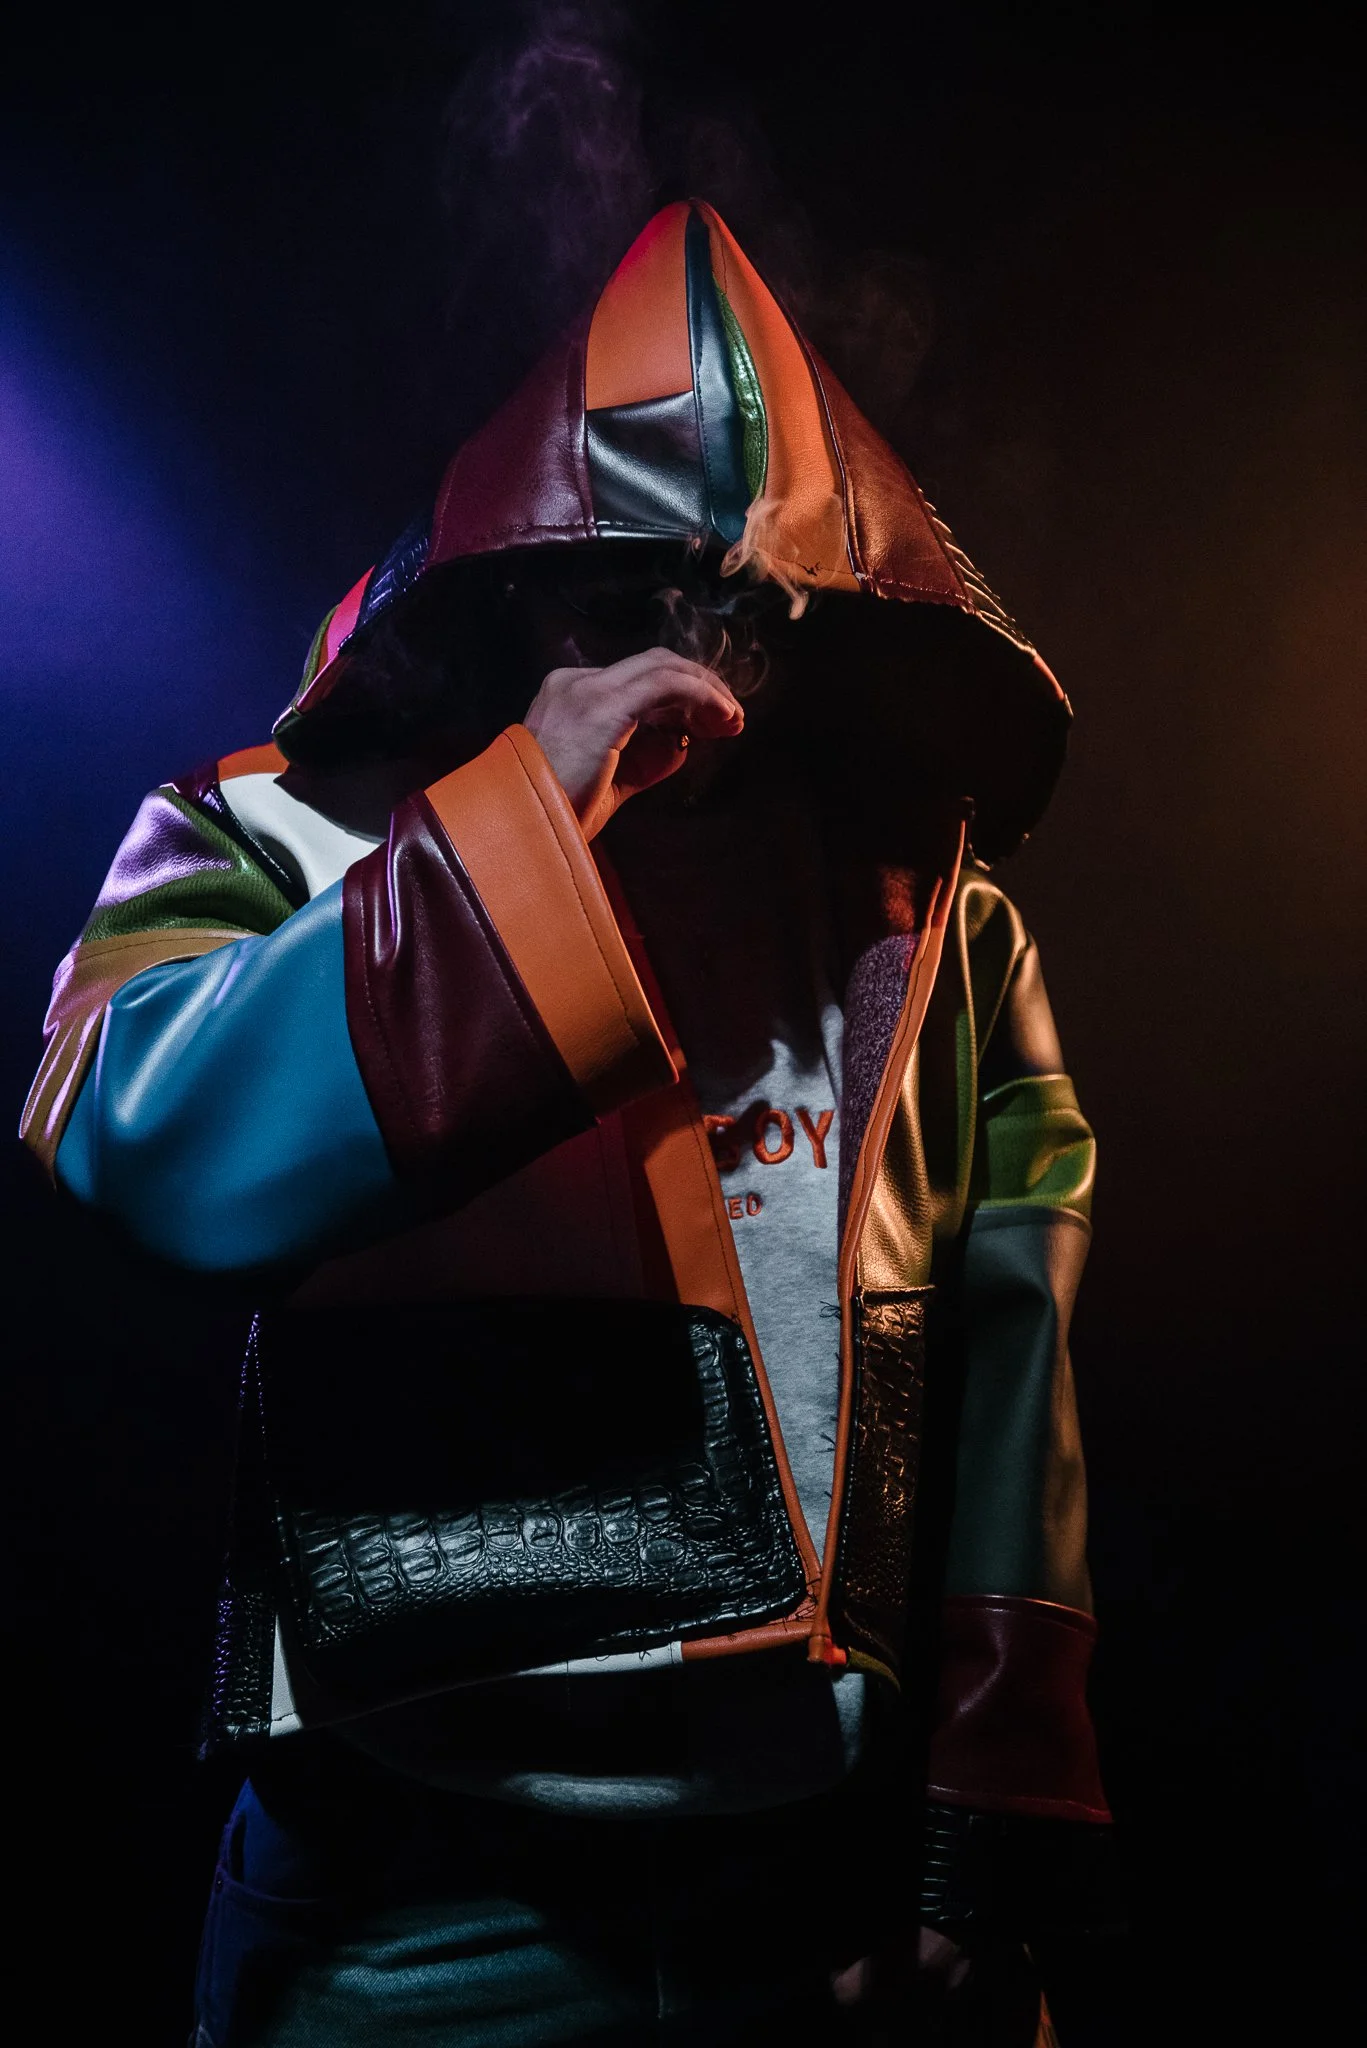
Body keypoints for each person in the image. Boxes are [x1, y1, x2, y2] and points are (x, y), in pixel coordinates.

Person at [22, 202, 1118, 2044]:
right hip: (408, 1900)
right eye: (615, 595)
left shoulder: (932, 922)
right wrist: (528, 811)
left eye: (739, 602)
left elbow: (1011, 1368)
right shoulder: (269, 838)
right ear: (507, 589)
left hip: (819, 1887)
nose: (689, 651)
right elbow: (134, 1149)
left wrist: (981, 1821)